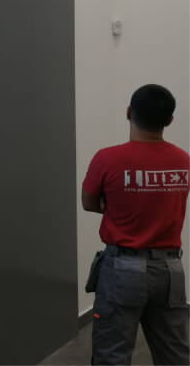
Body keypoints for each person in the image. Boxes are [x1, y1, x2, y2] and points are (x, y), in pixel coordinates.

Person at [82, 84, 189, 365]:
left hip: (122, 270)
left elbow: (88, 202)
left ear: (129, 112)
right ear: (169, 120)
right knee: (175, 355)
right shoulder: (183, 161)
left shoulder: (107, 158)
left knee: (112, 356)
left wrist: (116, 204)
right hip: (170, 271)